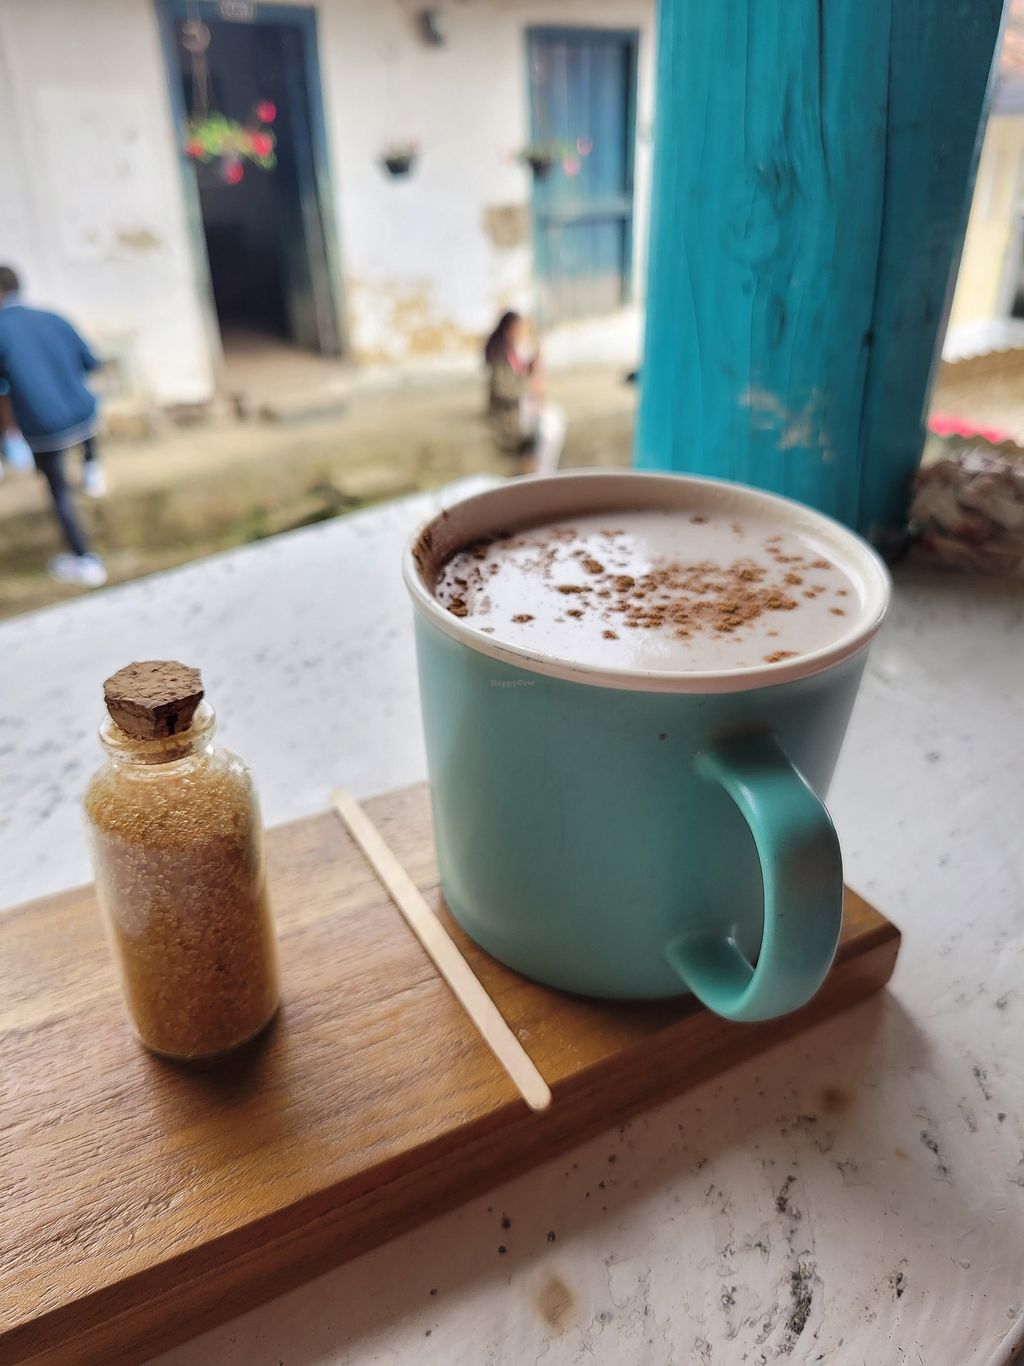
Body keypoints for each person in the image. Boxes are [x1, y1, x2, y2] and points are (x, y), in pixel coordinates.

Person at [0, 265, 107, 587]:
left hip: (44, 427)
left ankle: (86, 561)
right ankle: (92, 467)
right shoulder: (53, 316)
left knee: (59, 492)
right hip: (85, 414)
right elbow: (90, 362)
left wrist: (9, 437)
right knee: (84, 423)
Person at [484, 310, 566, 476]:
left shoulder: (512, 351)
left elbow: (520, 373)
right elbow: (502, 388)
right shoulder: (500, 355)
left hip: (521, 406)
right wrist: (528, 390)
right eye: (519, 328)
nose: (521, 332)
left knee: (553, 419)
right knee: (549, 426)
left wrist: (532, 365)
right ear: (509, 328)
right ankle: (542, 473)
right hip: (509, 414)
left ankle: (544, 471)